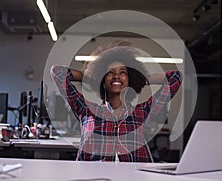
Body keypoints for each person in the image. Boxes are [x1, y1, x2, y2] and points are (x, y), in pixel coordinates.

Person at [50, 42, 182, 162]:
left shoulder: (142, 111)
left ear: (130, 79)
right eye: (109, 73)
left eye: (122, 72)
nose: (116, 76)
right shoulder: (86, 109)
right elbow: (57, 73)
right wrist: (91, 78)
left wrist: (143, 78)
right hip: (93, 176)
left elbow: (175, 78)